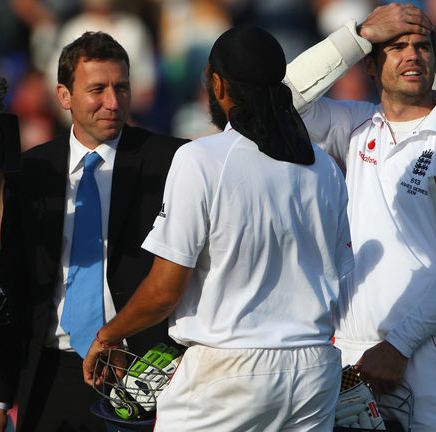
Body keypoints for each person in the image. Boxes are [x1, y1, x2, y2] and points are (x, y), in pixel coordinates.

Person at [83, 25, 354, 431]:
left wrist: (108, 336)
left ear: (218, 85)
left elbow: (164, 291)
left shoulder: (200, 159)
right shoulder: (325, 167)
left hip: (229, 372)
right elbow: (340, 271)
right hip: (313, 372)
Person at [284, 3, 436, 430]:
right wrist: (360, 33)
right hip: (349, 351)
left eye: (423, 46)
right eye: (396, 46)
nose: (413, 56)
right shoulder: (355, 125)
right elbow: (283, 99)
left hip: (426, 350)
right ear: (369, 63)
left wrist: (399, 346)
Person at [0, 32, 185, 432]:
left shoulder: (172, 161)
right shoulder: (32, 171)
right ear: (64, 95)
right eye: (97, 89)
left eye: (121, 87)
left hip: (143, 369)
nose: (113, 102)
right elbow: (14, 288)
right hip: (52, 372)